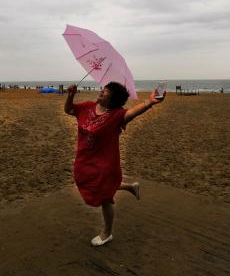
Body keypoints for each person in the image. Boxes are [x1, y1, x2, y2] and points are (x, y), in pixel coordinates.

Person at [64, 82, 166, 246]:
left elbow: (132, 113)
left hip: (105, 164)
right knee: (86, 183)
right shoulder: (87, 107)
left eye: (105, 91)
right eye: (103, 89)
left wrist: (150, 102)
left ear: (112, 98)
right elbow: (69, 110)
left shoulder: (116, 116)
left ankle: (107, 233)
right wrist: (70, 95)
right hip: (84, 160)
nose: (101, 92)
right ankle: (130, 187)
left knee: (105, 197)